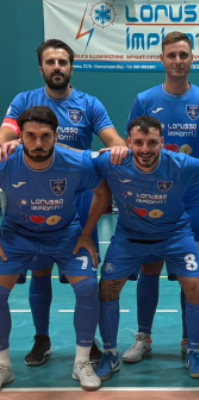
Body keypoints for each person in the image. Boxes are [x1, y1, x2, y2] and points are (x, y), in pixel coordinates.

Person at [92, 116, 199, 382]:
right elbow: (71, 158)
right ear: (129, 142)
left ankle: (193, 351)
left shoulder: (180, 164)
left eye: (152, 142)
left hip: (175, 235)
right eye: (138, 142)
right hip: (130, 237)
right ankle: (110, 354)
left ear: (162, 142)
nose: (145, 149)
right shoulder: (112, 161)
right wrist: (22, 147)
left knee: (195, 287)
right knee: (107, 288)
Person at [0, 39, 127, 366]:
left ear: (71, 67)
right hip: (33, 194)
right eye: (50, 62)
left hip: (76, 199)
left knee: (82, 280)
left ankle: (88, 342)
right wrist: (7, 145)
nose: (57, 67)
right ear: (41, 67)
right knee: (40, 271)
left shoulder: (89, 104)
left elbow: (114, 141)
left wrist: (116, 148)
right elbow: (5, 135)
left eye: (62, 62)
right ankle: (41, 338)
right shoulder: (24, 100)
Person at [123, 32, 199, 362]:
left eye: (184, 55)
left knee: (187, 274)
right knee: (149, 268)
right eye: (172, 55)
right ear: (162, 59)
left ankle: (188, 341)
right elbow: (130, 148)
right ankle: (144, 337)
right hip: (150, 203)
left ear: (192, 59)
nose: (178, 61)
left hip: (191, 203)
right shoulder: (144, 100)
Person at [0, 106, 111, 391]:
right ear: (20, 136)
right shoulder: (5, 160)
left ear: (56, 136)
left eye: (45, 136)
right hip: (17, 235)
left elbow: (102, 192)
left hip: (65, 234)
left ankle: (82, 363)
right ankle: (3, 366)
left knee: (88, 288)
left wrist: (86, 233)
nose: (38, 143)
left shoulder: (76, 162)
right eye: (30, 136)